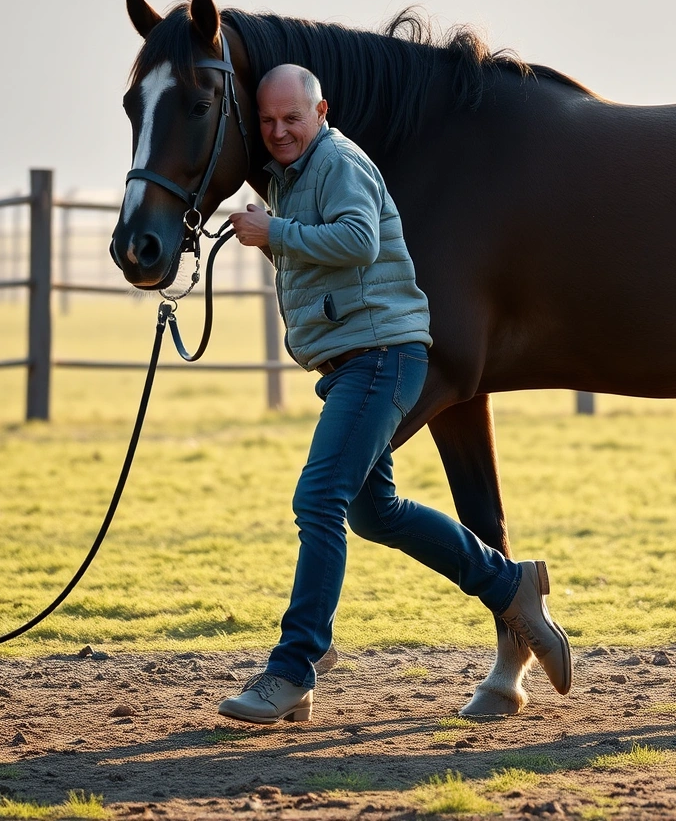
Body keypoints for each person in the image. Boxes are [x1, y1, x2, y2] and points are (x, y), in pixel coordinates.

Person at [216, 63, 572, 724]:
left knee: (318, 498)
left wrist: (277, 233)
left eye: (292, 118)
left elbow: (356, 240)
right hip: (357, 362)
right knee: (371, 512)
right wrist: (272, 231)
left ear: (321, 112)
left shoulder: (339, 161)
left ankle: (292, 671)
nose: (279, 132)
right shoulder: (294, 177)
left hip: (382, 358)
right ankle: (510, 585)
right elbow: (331, 257)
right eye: (267, 122)